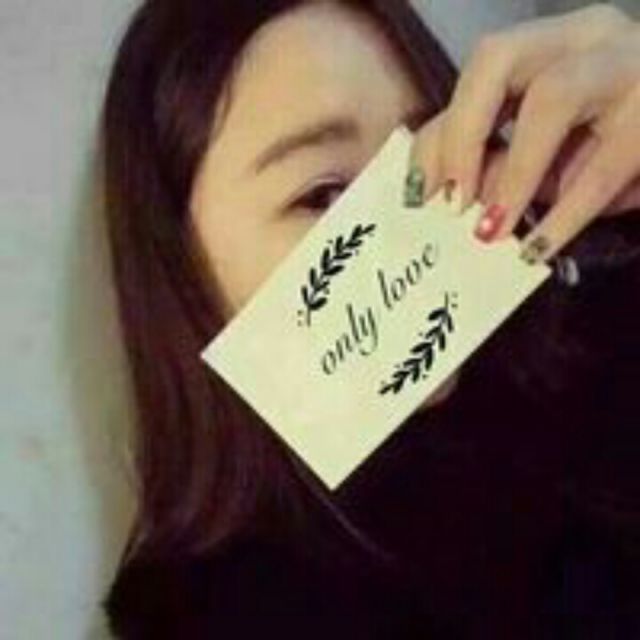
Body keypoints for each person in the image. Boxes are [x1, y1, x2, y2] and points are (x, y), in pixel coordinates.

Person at [98, 0, 640, 636]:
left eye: (432, 159)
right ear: (182, 271)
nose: (419, 223)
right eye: (324, 195)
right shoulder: (208, 612)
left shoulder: (594, 346)